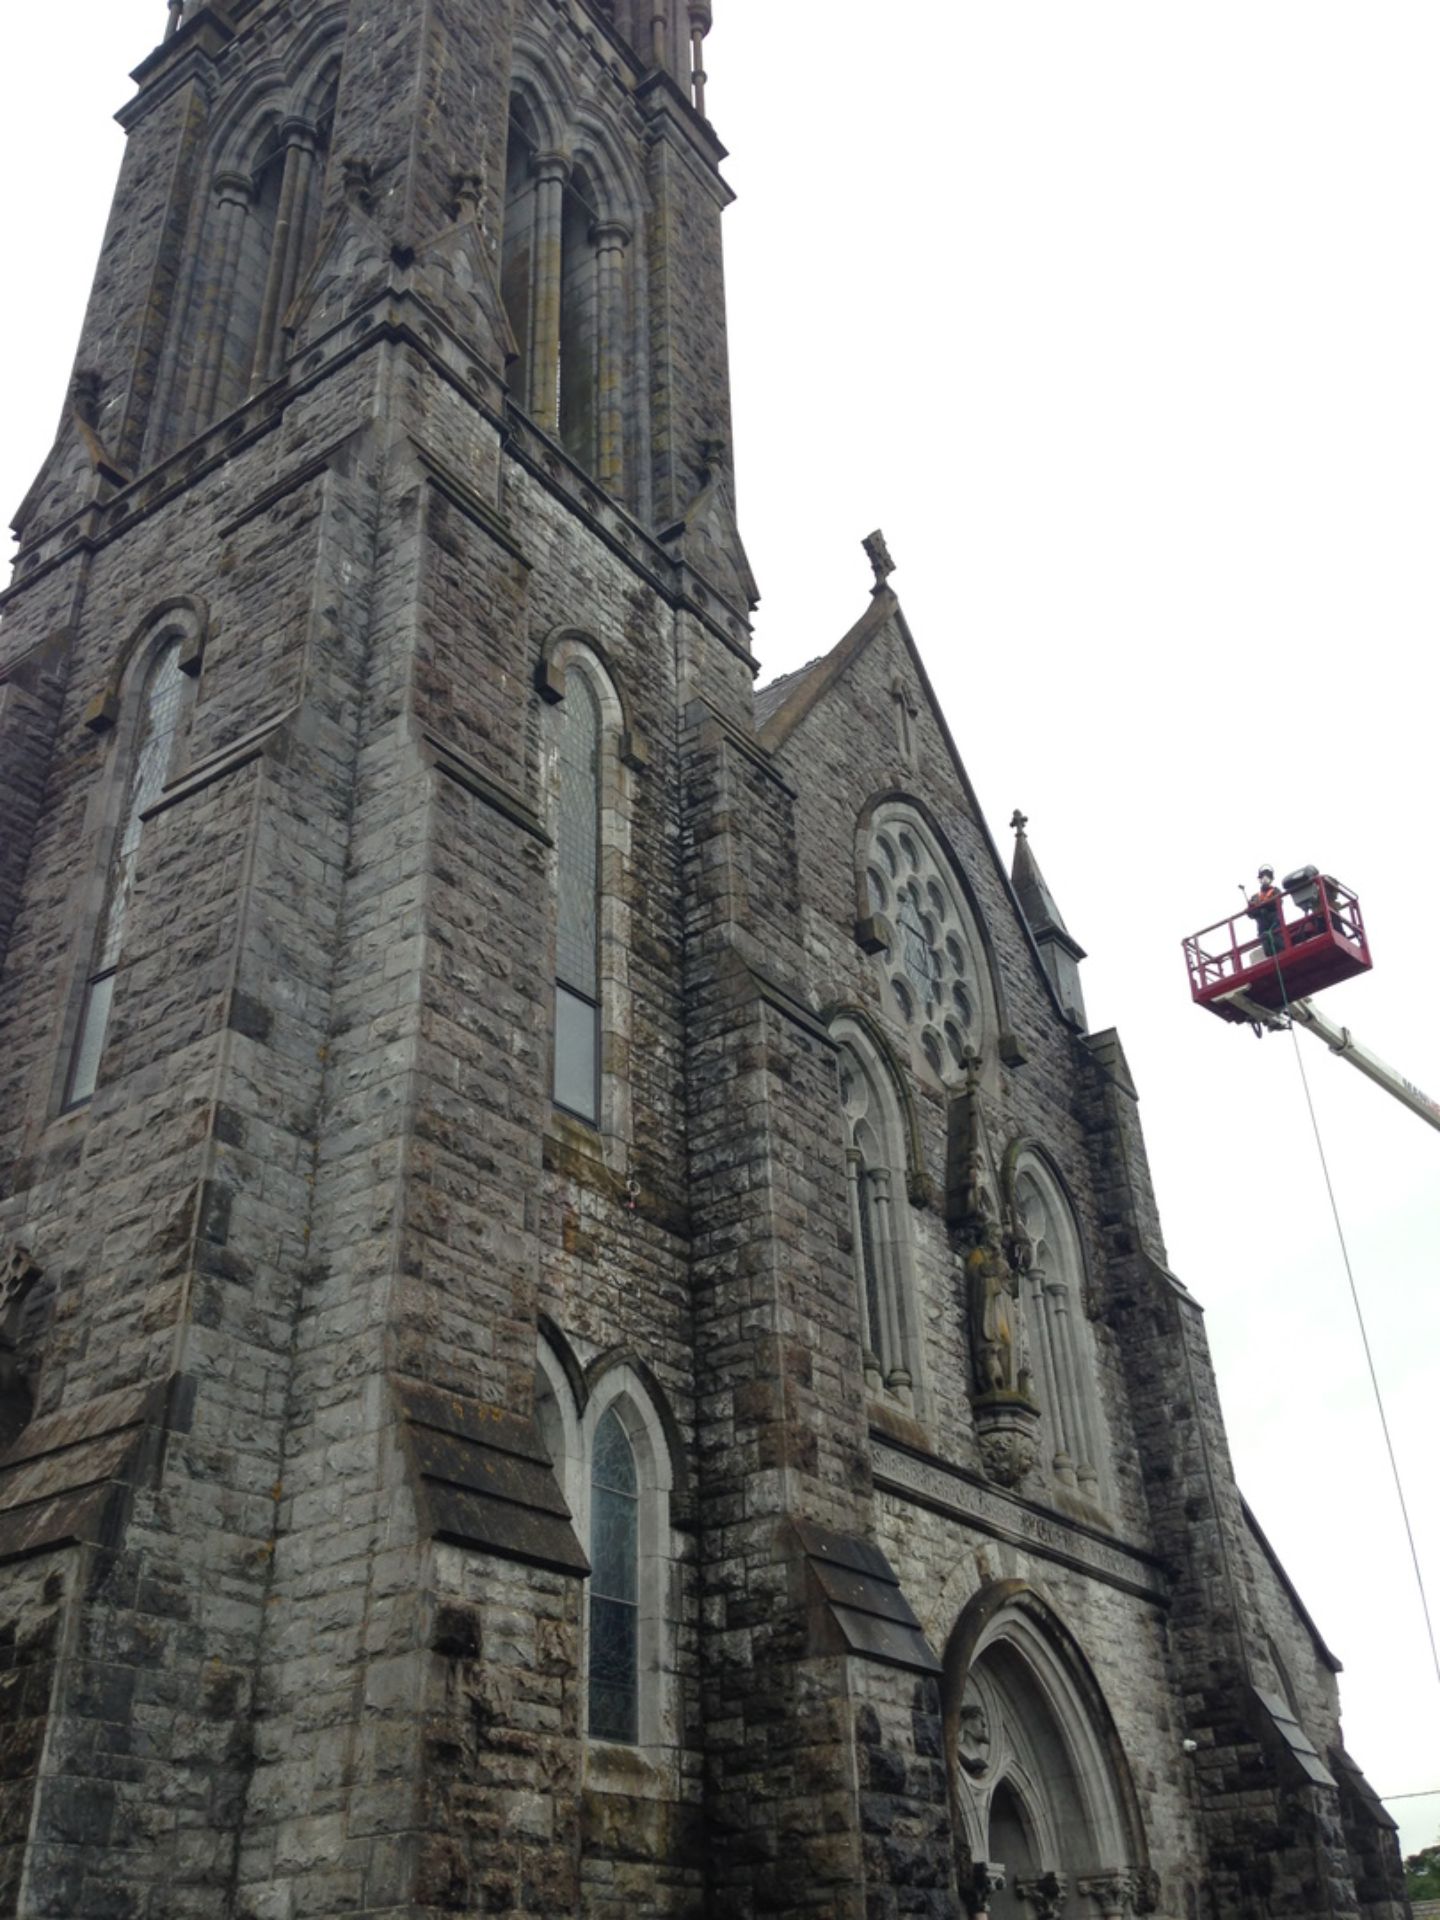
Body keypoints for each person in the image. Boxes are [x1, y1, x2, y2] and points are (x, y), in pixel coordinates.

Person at [1246, 865, 1285, 957]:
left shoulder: (1275, 891)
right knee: (1267, 948)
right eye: (1262, 876)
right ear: (1259, 879)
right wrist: (1251, 908)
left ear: (1271, 879)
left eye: (1267, 876)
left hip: (1275, 922)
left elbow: (1278, 902)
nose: (1265, 878)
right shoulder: (1255, 897)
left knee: (1278, 942)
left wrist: (1262, 906)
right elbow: (1251, 914)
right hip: (1262, 925)